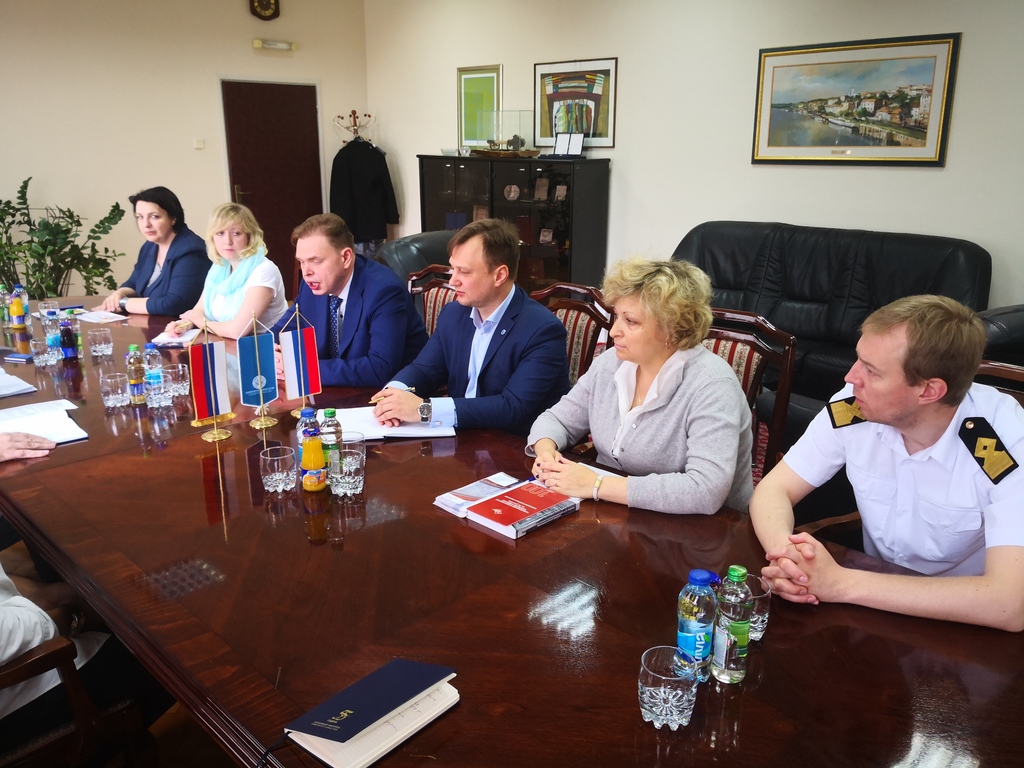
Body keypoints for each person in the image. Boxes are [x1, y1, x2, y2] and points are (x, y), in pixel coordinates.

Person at [751, 295, 1024, 632]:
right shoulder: (854, 407)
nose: (851, 377)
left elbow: (1009, 604)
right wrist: (787, 559)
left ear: (929, 391)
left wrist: (841, 584)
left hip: (961, 625)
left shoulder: (1004, 444)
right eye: (859, 359)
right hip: (870, 609)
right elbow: (775, 489)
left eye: (872, 371)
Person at [527, 257, 753, 514]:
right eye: (616, 316)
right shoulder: (612, 362)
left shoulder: (713, 385)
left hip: (702, 528)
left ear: (671, 328)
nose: (614, 331)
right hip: (616, 514)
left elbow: (706, 490)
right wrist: (546, 453)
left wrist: (597, 484)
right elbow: (556, 419)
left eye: (630, 321)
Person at [371, 218, 570, 436]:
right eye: (452, 269)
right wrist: (393, 394)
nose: (452, 281)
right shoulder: (454, 313)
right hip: (462, 438)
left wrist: (424, 409)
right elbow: (425, 370)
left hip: (514, 445)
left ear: (499, 275)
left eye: (464, 272)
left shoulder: (542, 331)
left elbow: (511, 407)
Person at [270, 213, 427, 387]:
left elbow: (379, 369)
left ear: (345, 258)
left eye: (315, 261)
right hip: (337, 391)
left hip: (393, 392)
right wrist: (271, 352)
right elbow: (280, 331)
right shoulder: (311, 286)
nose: (306, 272)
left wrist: (303, 369)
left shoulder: (384, 291)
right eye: (301, 262)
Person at [163, 203, 287, 340]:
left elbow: (237, 331)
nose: (227, 241)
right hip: (226, 341)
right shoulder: (220, 267)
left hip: (265, 346)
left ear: (250, 236)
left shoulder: (264, 271)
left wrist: (202, 323)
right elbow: (200, 310)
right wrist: (183, 325)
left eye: (236, 233)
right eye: (220, 233)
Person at [95, 186, 209, 317]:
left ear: (173, 218)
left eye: (154, 216)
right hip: (150, 323)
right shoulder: (150, 246)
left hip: (180, 326)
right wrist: (118, 294)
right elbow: (134, 282)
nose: (146, 224)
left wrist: (123, 303)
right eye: (140, 217)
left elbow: (173, 304)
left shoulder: (191, 251)